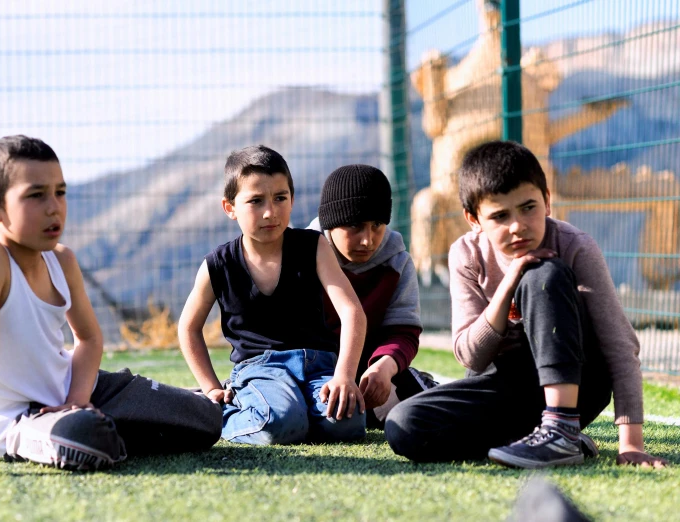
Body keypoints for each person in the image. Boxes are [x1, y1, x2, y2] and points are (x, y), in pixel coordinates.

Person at [0, 135, 221, 481]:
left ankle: (113, 422)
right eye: (36, 195)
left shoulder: (63, 259)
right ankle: (104, 428)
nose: (54, 207)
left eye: (60, 192)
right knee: (85, 436)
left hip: (79, 392)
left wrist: (78, 397)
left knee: (208, 421)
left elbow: (88, 338)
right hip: (22, 417)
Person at [385, 140, 668, 469]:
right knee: (403, 425)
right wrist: (509, 282)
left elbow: (619, 344)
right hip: (504, 387)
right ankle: (535, 439)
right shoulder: (466, 254)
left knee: (543, 273)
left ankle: (562, 430)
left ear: (547, 201)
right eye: (500, 216)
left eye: (528, 207)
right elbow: (470, 355)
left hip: (579, 387)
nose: (517, 225)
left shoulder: (574, 245)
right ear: (474, 219)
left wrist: (630, 444)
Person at [178, 145, 368, 445]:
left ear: (292, 199)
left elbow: (352, 312)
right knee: (278, 421)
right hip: (260, 369)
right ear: (230, 208)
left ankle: (296, 415)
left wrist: (344, 375)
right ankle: (217, 414)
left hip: (318, 365)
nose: (270, 212)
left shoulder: (314, 247)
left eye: (280, 198)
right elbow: (188, 327)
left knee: (347, 422)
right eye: (256, 201)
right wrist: (211, 387)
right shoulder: (218, 264)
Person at [308, 164, 436, 428]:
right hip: (315, 373)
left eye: (377, 225)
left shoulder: (398, 263)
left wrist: (384, 368)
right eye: (355, 225)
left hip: (372, 372)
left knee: (422, 414)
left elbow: (404, 332)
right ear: (330, 223)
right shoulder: (303, 257)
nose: (367, 240)